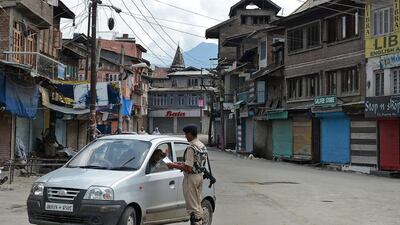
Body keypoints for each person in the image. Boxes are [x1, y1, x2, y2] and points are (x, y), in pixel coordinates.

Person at [167, 125, 206, 225]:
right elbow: (195, 163)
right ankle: (201, 221)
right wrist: (179, 164)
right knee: (197, 203)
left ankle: (197, 222)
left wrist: (174, 166)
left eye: (186, 134)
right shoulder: (201, 145)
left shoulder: (191, 148)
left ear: (189, 134)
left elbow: (188, 168)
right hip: (200, 176)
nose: (185, 137)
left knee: (192, 206)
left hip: (191, 178)